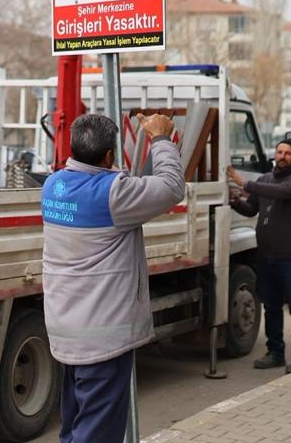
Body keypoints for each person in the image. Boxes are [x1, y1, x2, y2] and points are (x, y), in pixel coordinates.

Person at [42, 112, 186, 443]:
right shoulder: (114, 194)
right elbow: (171, 187)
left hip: (67, 333)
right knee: (97, 436)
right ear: (109, 156)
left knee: (75, 429)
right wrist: (160, 139)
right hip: (102, 342)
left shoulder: (54, 186)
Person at [226, 131, 291, 374]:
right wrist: (235, 200)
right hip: (266, 256)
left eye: (287, 153)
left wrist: (245, 183)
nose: (282, 156)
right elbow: (251, 208)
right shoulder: (265, 179)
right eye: (279, 152)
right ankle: (275, 352)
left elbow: (280, 192)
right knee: (271, 307)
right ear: (274, 155)